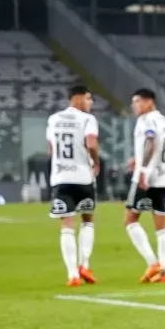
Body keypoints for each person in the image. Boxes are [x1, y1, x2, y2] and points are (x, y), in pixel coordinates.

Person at [47, 85, 99, 286]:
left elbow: (51, 148)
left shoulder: (54, 119)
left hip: (61, 179)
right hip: (84, 177)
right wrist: (96, 162)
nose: (90, 102)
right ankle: (84, 265)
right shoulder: (88, 120)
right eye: (88, 98)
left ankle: (72, 275)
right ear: (77, 99)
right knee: (87, 221)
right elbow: (91, 143)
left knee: (66, 226)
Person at [124, 88, 165, 284]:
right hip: (164, 176)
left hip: (147, 178)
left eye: (137, 102)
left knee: (130, 221)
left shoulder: (146, 120)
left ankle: (153, 263)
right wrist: (137, 159)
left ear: (149, 102)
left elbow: (151, 142)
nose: (134, 106)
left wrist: (143, 169)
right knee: (162, 228)